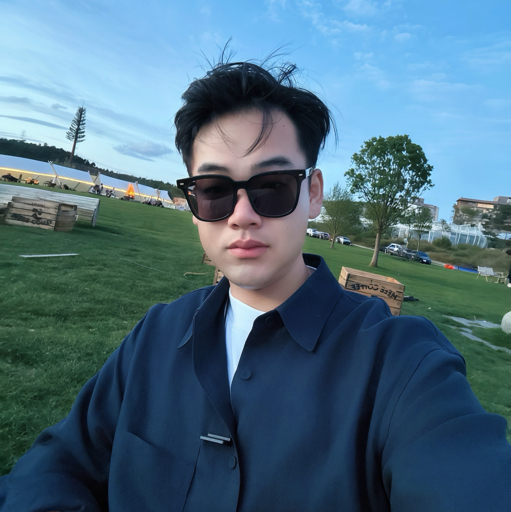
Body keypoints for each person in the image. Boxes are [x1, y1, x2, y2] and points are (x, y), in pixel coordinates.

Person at [1, 58, 510, 512]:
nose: (242, 215)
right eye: (215, 190)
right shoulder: (156, 335)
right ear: (193, 203)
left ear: (313, 194)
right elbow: (57, 465)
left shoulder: (401, 365)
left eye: (271, 187)